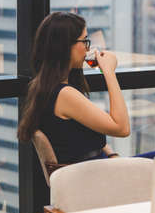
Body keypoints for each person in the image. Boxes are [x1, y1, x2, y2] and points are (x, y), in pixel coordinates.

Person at [17, 12, 129, 164]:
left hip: (98, 170)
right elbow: (122, 128)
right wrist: (109, 72)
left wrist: (111, 155)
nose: (87, 48)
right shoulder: (65, 95)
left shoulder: (44, 87)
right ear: (65, 47)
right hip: (94, 177)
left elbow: (90, 135)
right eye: (84, 41)